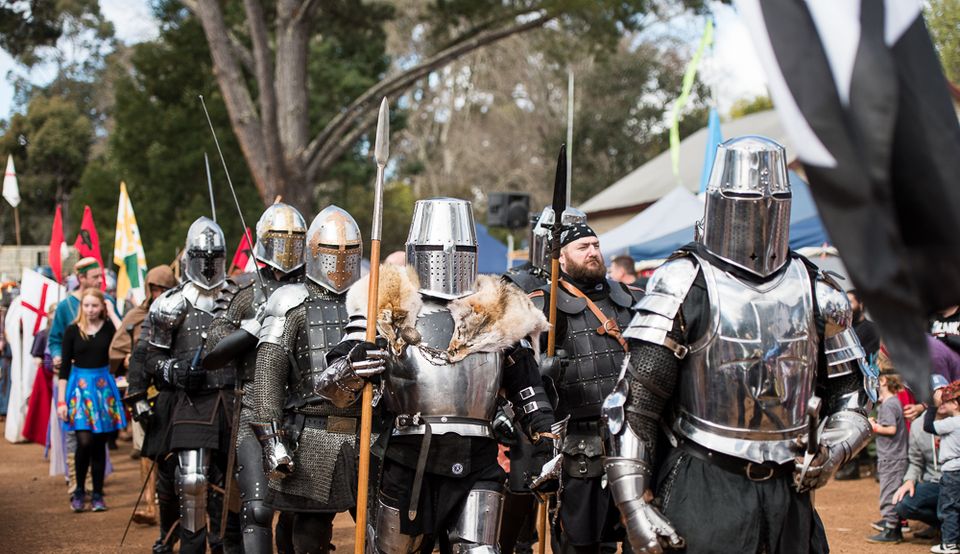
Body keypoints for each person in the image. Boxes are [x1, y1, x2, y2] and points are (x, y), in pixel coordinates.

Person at [602, 136, 876, 553]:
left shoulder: (820, 290)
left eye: (772, 200)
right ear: (719, 202)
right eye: (746, 200)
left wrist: (833, 449)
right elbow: (635, 404)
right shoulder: (683, 282)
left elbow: (853, 395)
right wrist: (633, 505)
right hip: (706, 479)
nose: (760, 209)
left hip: (789, 489)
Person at [321, 197, 556, 553]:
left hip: (478, 455)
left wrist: (544, 433)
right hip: (407, 456)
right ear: (418, 251)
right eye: (437, 251)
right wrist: (353, 367)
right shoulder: (385, 305)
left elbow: (527, 386)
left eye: (459, 250)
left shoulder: (495, 308)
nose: (447, 258)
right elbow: (331, 386)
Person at [247, 205, 363, 554]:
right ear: (313, 252)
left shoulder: (368, 302)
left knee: (381, 532)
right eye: (331, 251)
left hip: (369, 433)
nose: (340, 260)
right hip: (312, 432)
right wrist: (271, 440)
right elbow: (268, 376)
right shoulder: (290, 301)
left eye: (348, 251)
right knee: (308, 535)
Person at [530, 221, 642, 554]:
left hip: (631, 438)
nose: (593, 251)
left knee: (640, 539)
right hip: (579, 444)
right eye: (583, 247)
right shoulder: (546, 304)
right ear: (561, 258)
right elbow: (521, 373)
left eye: (595, 245)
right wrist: (544, 372)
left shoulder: (628, 299)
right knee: (581, 544)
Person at [202, 202, 307, 553]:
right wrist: (254, 327)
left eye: (295, 239)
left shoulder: (315, 288)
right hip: (254, 409)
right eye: (280, 238)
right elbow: (212, 352)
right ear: (264, 240)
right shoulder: (242, 289)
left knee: (300, 513)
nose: (288, 247)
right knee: (258, 508)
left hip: (306, 411)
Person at [143, 217, 240, 553]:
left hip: (234, 400)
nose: (209, 264)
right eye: (202, 256)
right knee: (192, 480)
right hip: (192, 401)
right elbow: (150, 358)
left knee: (237, 485)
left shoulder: (240, 298)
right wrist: (176, 371)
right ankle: (191, 547)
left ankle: (228, 544)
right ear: (189, 257)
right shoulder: (171, 302)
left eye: (215, 257)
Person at [501, 205, 586, 554]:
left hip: (575, 405)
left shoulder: (591, 288)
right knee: (520, 500)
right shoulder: (515, 284)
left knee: (572, 504)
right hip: (530, 406)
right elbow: (504, 350)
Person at [48, 258, 120, 497]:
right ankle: (76, 483)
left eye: (101, 277)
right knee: (76, 438)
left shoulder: (105, 304)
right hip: (73, 381)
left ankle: (95, 487)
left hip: (100, 385)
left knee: (97, 440)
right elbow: (55, 340)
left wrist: (109, 309)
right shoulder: (65, 307)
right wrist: (58, 357)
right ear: (81, 278)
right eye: (95, 277)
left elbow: (121, 339)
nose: (100, 281)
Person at [111, 264, 175, 526]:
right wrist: (129, 359)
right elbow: (117, 350)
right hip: (143, 390)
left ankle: (170, 499)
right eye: (155, 288)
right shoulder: (137, 316)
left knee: (172, 449)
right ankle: (149, 504)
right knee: (145, 448)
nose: (159, 293)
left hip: (171, 390)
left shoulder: (180, 310)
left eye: (164, 288)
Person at [56, 287, 127, 512]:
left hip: (103, 389)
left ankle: (97, 494)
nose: (90, 310)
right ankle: (78, 491)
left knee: (98, 445)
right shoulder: (72, 331)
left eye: (94, 305)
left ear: (102, 307)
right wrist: (61, 401)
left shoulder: (108, 328)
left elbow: (124, 338)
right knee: (83, 442)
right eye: (86, 305)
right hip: (79, 390)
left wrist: (113, 313)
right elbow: (64, 370)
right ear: (81, 307)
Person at [894, 375, 950, 542]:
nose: (940, 400)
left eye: (944, 395)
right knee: (903, 505)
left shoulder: (957, 420)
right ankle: (943, 525)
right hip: (934, 482)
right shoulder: (919, 426)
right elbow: (916, 461)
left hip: (955, 480)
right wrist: (909, 480)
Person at [867, 372, 909, 543]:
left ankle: (891, 528)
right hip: (893, 456)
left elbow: (890, 429)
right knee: (891, 490)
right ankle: (894, 525)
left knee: (888, 492)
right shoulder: (891, 403)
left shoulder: (889, 405)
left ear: (883, 381)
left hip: (892, 457)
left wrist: (873, 426)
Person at [923, 380, 960, 554]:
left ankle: (950, 543)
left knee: (949, 507)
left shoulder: (954, 422)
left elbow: (928, 426)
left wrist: (932, 405)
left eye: (947, 401)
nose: (944, 404)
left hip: (952, 470)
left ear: (956, 404)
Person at [22, 304, 56, 446]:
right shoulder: (42, 334)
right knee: (44, 409)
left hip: (59, 376)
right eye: (53, 312)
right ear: (49, 314)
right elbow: (36, 355)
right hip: (46, 377)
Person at [847, 289, 880, 358]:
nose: (846, 306)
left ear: (861, 305)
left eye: (849, 302)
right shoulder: (841, 326)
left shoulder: (872, 329)